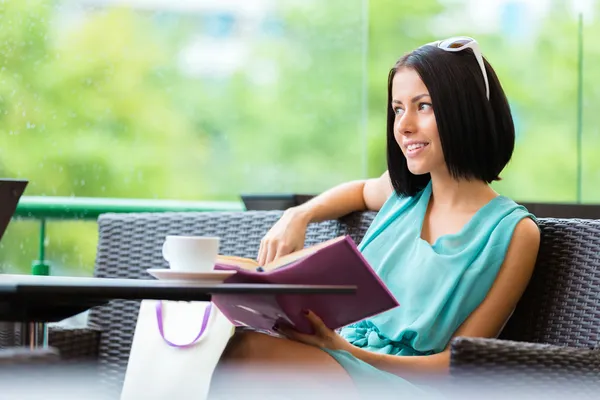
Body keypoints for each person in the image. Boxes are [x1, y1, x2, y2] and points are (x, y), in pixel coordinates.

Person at [209, 37, 540, 398]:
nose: (404, 126)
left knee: (250, 351)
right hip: (337, 359)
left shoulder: (514, 233)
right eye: (398, 109)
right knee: (233, 340)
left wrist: (345, 351)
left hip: (403, 383)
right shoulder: (404, 194)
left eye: (423, 106)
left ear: (465, 110)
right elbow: (358, 191)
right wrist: (297, 216)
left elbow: (457, 367)